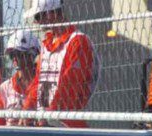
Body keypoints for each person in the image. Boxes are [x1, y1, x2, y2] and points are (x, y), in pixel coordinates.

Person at [23, 0, 98, 128]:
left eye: (38, 16)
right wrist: (27, 110)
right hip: (44, 121)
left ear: (51, 14)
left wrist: (50, 115)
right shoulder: (47, 44)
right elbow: (38, 82)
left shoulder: (77, 41)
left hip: (67, 124)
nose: (36, 22)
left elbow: (70, 85)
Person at [0, 30, 40, 126]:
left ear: (32, 54)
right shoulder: (5, 88)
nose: (15, 58)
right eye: (12, 55)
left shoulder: (43, 84)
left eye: (19, 54)